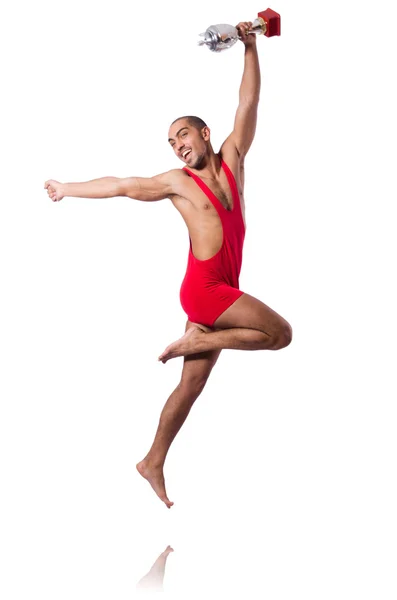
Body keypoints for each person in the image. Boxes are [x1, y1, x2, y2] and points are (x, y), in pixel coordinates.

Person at [45, 22, 292, 509]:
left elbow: (248, 104)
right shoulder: (176, 183)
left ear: (204, 133)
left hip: (224, 286)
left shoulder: (233, 158)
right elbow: (121, 183)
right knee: (280, 334)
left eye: (183, 134)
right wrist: (67, 188)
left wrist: (249, 46)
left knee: (191, 385)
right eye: (171, 141)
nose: (178, 144)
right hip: (205, 290)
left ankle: (152, 459)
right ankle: (199, 339)